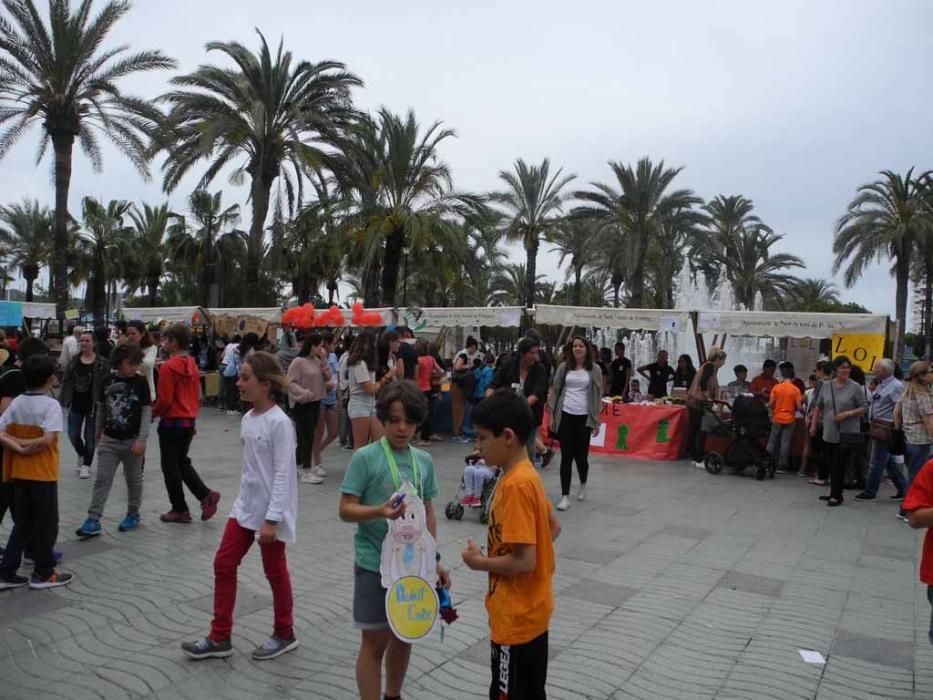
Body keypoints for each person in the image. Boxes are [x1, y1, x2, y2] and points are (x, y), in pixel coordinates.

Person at [182, 352, 299, 661]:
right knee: (223, 563)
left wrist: (272, 520)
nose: (238, 382)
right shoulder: (247, 420)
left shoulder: (280, 424)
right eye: (240, 376)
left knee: (275, 572)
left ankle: (285, 632)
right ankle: (220, 637)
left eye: (245, 377)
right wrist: (240, 505)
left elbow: (284, 474)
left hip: (270, 514)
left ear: (265, 384)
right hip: (245, 509)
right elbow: (251, 471)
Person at [338, 380, 450, 700]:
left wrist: (434, 561)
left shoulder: (423, 461)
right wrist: (378, 511)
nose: (402, 428)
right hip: (375, 564)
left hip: (412, 568)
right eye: (395, 420)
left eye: (410, 421)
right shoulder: (366, 457)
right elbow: (345, 509)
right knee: (374, 643)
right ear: (383, 418)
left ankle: (394, 695)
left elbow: (427, 511)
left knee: (405, 635)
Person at [462, 390, 561, 699]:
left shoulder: (515, 485)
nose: (477, 447)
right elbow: (553, 527)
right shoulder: (526, 474)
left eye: (481, 438)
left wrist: (481, 562)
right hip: (534, 611)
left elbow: (524, 562)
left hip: (515, 618)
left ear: (507, 436)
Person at [0, 355, 72, 589]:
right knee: (46, 524)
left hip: (18, 474)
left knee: (23, 524)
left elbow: (1, 431)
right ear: (51, 379)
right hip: (43, 474)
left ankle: (7, 572)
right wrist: (28, 446)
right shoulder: (51, 405)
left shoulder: (18, 401)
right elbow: (47, 440)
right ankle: (44, 573)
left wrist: (16, 445)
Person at [75, 343, 151, 537]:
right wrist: (98, 430)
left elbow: (145, 413)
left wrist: (141, 440)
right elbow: (101, 407)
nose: (134, 367)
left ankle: (133, 513)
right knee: (102, 479)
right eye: (130, 363)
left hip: (132, 441)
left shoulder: (141, 383)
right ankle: (93, 519)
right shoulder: (107, 381)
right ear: (118, 363)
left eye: (137, 363)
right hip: (109, 440)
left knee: (133, 480)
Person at [153, 324, 221, 524]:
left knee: (170, 466)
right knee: (181, 462)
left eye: (166, 340)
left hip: (172, 423)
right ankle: (205, 495)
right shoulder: (191, 363)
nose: (163, 343)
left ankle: (180, 508)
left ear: (173, 342)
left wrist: (154, 413)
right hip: (188, 422)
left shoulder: (168, 367)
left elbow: (165, 401)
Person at [548, 336, 603, 511]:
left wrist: (596, 420)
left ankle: (583, 483)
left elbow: (597, 395)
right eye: (575, 346)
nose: (577, 349)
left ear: (587, 349)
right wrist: (551, 415)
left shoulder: (594, 370)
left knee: (581, 457)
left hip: (584, 417)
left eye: (581, 346)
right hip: (565, 415)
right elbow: (555, 391)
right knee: (566, 456)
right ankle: (565, 496)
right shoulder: (564, 368)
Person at [810, 356, 868, 507]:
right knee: (829, 462)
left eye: (847, 367)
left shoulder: (855, 387)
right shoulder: (826, 386)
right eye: (842, 367)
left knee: (839, 463)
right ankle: (834, 492)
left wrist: (847, 414)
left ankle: (836, 495)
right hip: (829, 430)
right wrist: (813, 425)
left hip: (846, 432)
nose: (845, 370)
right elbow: (818, 406)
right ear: (835, 369)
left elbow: (864, 408)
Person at [488, 337, 549, 467]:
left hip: (530, 415)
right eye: (531, 353)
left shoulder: (539, 369)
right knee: (506, 447)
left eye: (536, 353)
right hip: (508, 415)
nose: (535, 356)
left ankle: (529, 478)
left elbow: (537, 393)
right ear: (522, 353)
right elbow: (493, 384)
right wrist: (489, 401)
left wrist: (520, 407)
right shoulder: (508, 365)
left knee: (528, 449)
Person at [60, 330, 109, 479]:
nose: (84, 343)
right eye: (81, 341)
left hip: (94, 405)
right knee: (73, 434)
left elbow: (107, 384)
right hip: (75, 402)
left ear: (93, 343)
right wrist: (62, 400)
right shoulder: (74, 361)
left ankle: (86, 465)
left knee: (90, 436)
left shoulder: (102, 362)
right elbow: (66, 381)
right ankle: (81, 454)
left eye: (87, 341)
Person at [856, 358, 906, 502]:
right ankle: (904, 488)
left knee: (876, 460)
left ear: (884, 371)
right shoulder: (882, 385)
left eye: (876, 368)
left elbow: (899, 407)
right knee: (888, 462)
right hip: (877, 424)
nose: (873, 370)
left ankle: (870, 491)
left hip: (886, 427)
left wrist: (896, 428)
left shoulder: (896, 386)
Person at [286, 332, 331, 485]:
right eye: (320, 346)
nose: (321, 349)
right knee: (307, 436)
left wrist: (324, 360)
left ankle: (296, 465)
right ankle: (306, 469)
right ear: (312, 346)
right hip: (302, 403)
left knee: (305, 435)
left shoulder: (317, 361)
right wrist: (304, 393)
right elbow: (290, 382)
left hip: (316, 402)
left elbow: (328, 376)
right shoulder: (298, 362)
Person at [895, 361, 933, 521]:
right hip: (921, 439)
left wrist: (898, 429)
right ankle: (908, 509)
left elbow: (896, 412)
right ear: (922, 376)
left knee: (911, 471)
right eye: (930, 371)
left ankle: (904, 507)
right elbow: (929, 421)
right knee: (916, 475)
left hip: (908, 436)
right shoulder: (922, 395)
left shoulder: (907, 391)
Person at [348, 331, 393, 449]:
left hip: (371, 403)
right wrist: (386, 378)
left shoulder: (366, 364)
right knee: (360, 444)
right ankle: (357, 467)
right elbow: (369, 389)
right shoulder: (359, 364)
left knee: (379, 440)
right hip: (359, 404)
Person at [686, 348, 727, 469]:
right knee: (701, 430)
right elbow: (703, 382)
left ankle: (694, 457)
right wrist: (707, 396)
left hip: (693, 401)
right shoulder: (710, 367)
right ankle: (698, 458)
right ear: (718, 359)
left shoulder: (706, 365)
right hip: (698, 402)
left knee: (694, 429)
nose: (724, 363)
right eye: (723, 360)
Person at [312, 332, 341, 479]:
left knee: (334, 431)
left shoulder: (334, 357)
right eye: (334, 343)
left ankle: (316, 451)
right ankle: (317, 462)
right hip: (321, 397)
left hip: (332, 397)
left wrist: (339, 396)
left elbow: (336, 377)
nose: (336, 345)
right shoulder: (317, 359)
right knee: (319, 431)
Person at [768, 362, 803, 474]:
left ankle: (767, 461)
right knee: (785, 442)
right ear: (792, 379)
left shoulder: (776, 387)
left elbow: (771, 404)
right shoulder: (795, 390)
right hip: (790, 419)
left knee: (772, 441)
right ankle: (781, 466)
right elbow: (798, 407)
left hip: (777, 417)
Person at [802, 360, 833, 484]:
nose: (815, 373)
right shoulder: (833, 383)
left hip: (819, 420)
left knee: (817, 448)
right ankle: (824, 474)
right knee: (826, 449)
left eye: (816, 370)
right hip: (828, 420)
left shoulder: (820, 383)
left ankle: (820, 475)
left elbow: (817, 402)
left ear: (821, 370)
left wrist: (811, 417)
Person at [415, 339, 444, 447]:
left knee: (421, 414)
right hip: (429, 388)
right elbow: (441, 371)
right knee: (428, 414)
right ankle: (426, 436)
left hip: (419, 389)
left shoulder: (418, 360)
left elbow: (416, 375)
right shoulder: (431, 359)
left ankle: (423, 438)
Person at [451, 336, 481, 442]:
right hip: (458, 385)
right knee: (458, 410)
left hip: (460, 385)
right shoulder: (463, 354)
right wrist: (470, 366)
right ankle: (456, 434)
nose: (475, 351)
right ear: (472, 346)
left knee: (461, 409)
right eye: (475, 348)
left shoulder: (464, 354)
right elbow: (457, 367)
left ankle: (459, 432)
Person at [125, 321, 157, 401]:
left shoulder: (151, 348)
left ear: (142, 333)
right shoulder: (125, 349)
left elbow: (147, 364)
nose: (130, 336)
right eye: (128, 334)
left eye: (133, 334)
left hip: (146, 392)